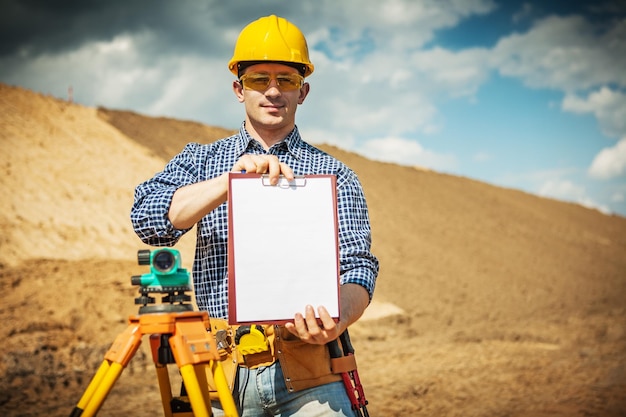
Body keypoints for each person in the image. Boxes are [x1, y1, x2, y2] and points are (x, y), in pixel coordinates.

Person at [131, 14, 379, 417]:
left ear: (305, 91)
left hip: (311, 375)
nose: (273, 91)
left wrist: (339, 318)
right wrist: (226, 184)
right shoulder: (200, 161)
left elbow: (357, 267)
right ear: (237, 88)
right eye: (258, 79)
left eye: (287, 79)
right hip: (218, 377)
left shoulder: (336, 175)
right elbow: (149, 220)